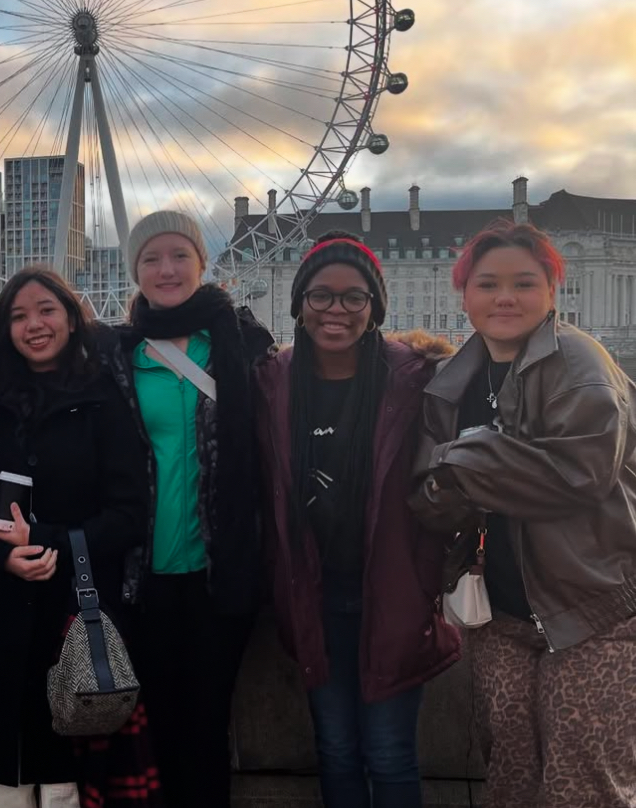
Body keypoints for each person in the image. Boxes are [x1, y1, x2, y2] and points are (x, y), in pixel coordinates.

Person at [410, 220, 635, 808]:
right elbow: (427, 493)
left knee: (582, 782)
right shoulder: (451, 380)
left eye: (523, 283)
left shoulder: (582, 365)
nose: (504, 297)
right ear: (464, 294)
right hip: (500, 614)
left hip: (591, 608)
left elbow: (581, 474)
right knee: (507, 771)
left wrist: (467, 457)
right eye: (487, 284)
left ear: (552, 292)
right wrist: (463, 476)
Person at [255, 231, 461, 808]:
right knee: (337, 749)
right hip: (313, 595)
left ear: (375, 307)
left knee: (391, 753)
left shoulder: (416, 378)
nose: (336, 311)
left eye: (354, 298)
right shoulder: (274, 381)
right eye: (321, 296)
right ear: (299, 304)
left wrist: (427, 575)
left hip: (392, 592)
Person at [0, 267, 152, 808]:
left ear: (70, 316)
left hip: (73, 617)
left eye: (46, 310)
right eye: (18, 315)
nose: (34, 324)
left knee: (65, 786)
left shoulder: (106, 401)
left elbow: (129, 512)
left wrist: (45, 540)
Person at [91, 211, 274, 808]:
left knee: (206, 729)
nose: (166, 269)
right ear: (135, 270)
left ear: (202, 262)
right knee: (151, 731)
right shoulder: (114, 358)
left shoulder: (241, 347)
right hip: (140, 578)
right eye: (151, 258)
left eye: (178, 255)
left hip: (218, 577)